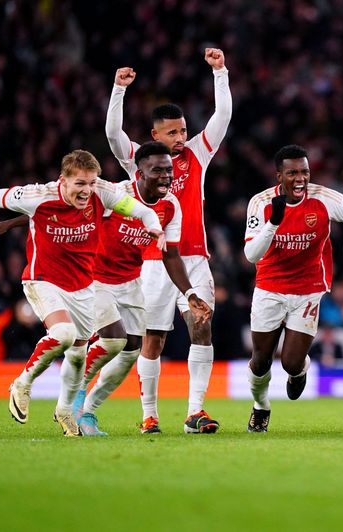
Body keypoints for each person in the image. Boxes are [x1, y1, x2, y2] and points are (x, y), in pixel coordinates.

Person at [0, 142, 211, 436]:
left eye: (169, 170)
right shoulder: (114, 194)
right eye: (159, 170)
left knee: (131, 350)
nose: (167, 176)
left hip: (130, 281)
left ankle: (88, 409)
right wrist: (11, 223)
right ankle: (74, 396)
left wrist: (190, 294)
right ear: (139, 173)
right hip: (95, 277)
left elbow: (170, 255)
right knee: (114, 338)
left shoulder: (170, 207)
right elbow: (60, 209)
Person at [0, 150, 164, 436]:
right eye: (80, 183)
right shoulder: (37, 196)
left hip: (83, 285)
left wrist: (153, 228)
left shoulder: (101, 193)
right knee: (64, 335)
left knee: (78, 354)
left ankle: (66, 411)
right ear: (63, 180)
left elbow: (142, 210)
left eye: (91, 182)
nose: (86, 191)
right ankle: (23, 382)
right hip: (43, 280)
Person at [105, 48, 232, 434]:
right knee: (153, 339)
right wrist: (118, 91)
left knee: (202, 326)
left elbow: (222, 116)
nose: (182, 137)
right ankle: (149, 415)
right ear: (155, 135)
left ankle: (195, 412)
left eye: (183, 130)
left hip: (193, 257)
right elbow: (113, 134)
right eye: (173, 132)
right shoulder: (141, 161)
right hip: (154, 263)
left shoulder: (197, 155)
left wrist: (220, 72)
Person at [243, 145, 343, 432]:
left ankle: (299, 372)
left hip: (308, 288)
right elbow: (251, 255)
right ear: (279, 175)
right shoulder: (260, 203)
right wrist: (273, 223)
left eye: (304, 171)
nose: (300, 178)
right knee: (261, 361)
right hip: (269, 287)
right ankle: (261, 406)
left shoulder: (323, 198)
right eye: (292, 173)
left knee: (292, 363)